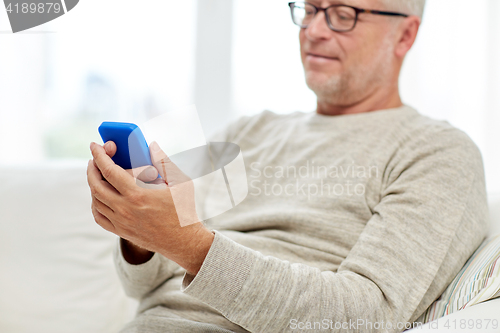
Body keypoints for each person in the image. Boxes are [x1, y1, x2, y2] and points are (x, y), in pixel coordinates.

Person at [87, 0, 489, 332]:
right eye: (310, 8)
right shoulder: (249, 130)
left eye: (343, 14)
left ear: (405, 34)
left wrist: (188, 244)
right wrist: (139, 230)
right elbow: (141, 286)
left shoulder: (436, 151)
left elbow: (367, 317)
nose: (314, 30)